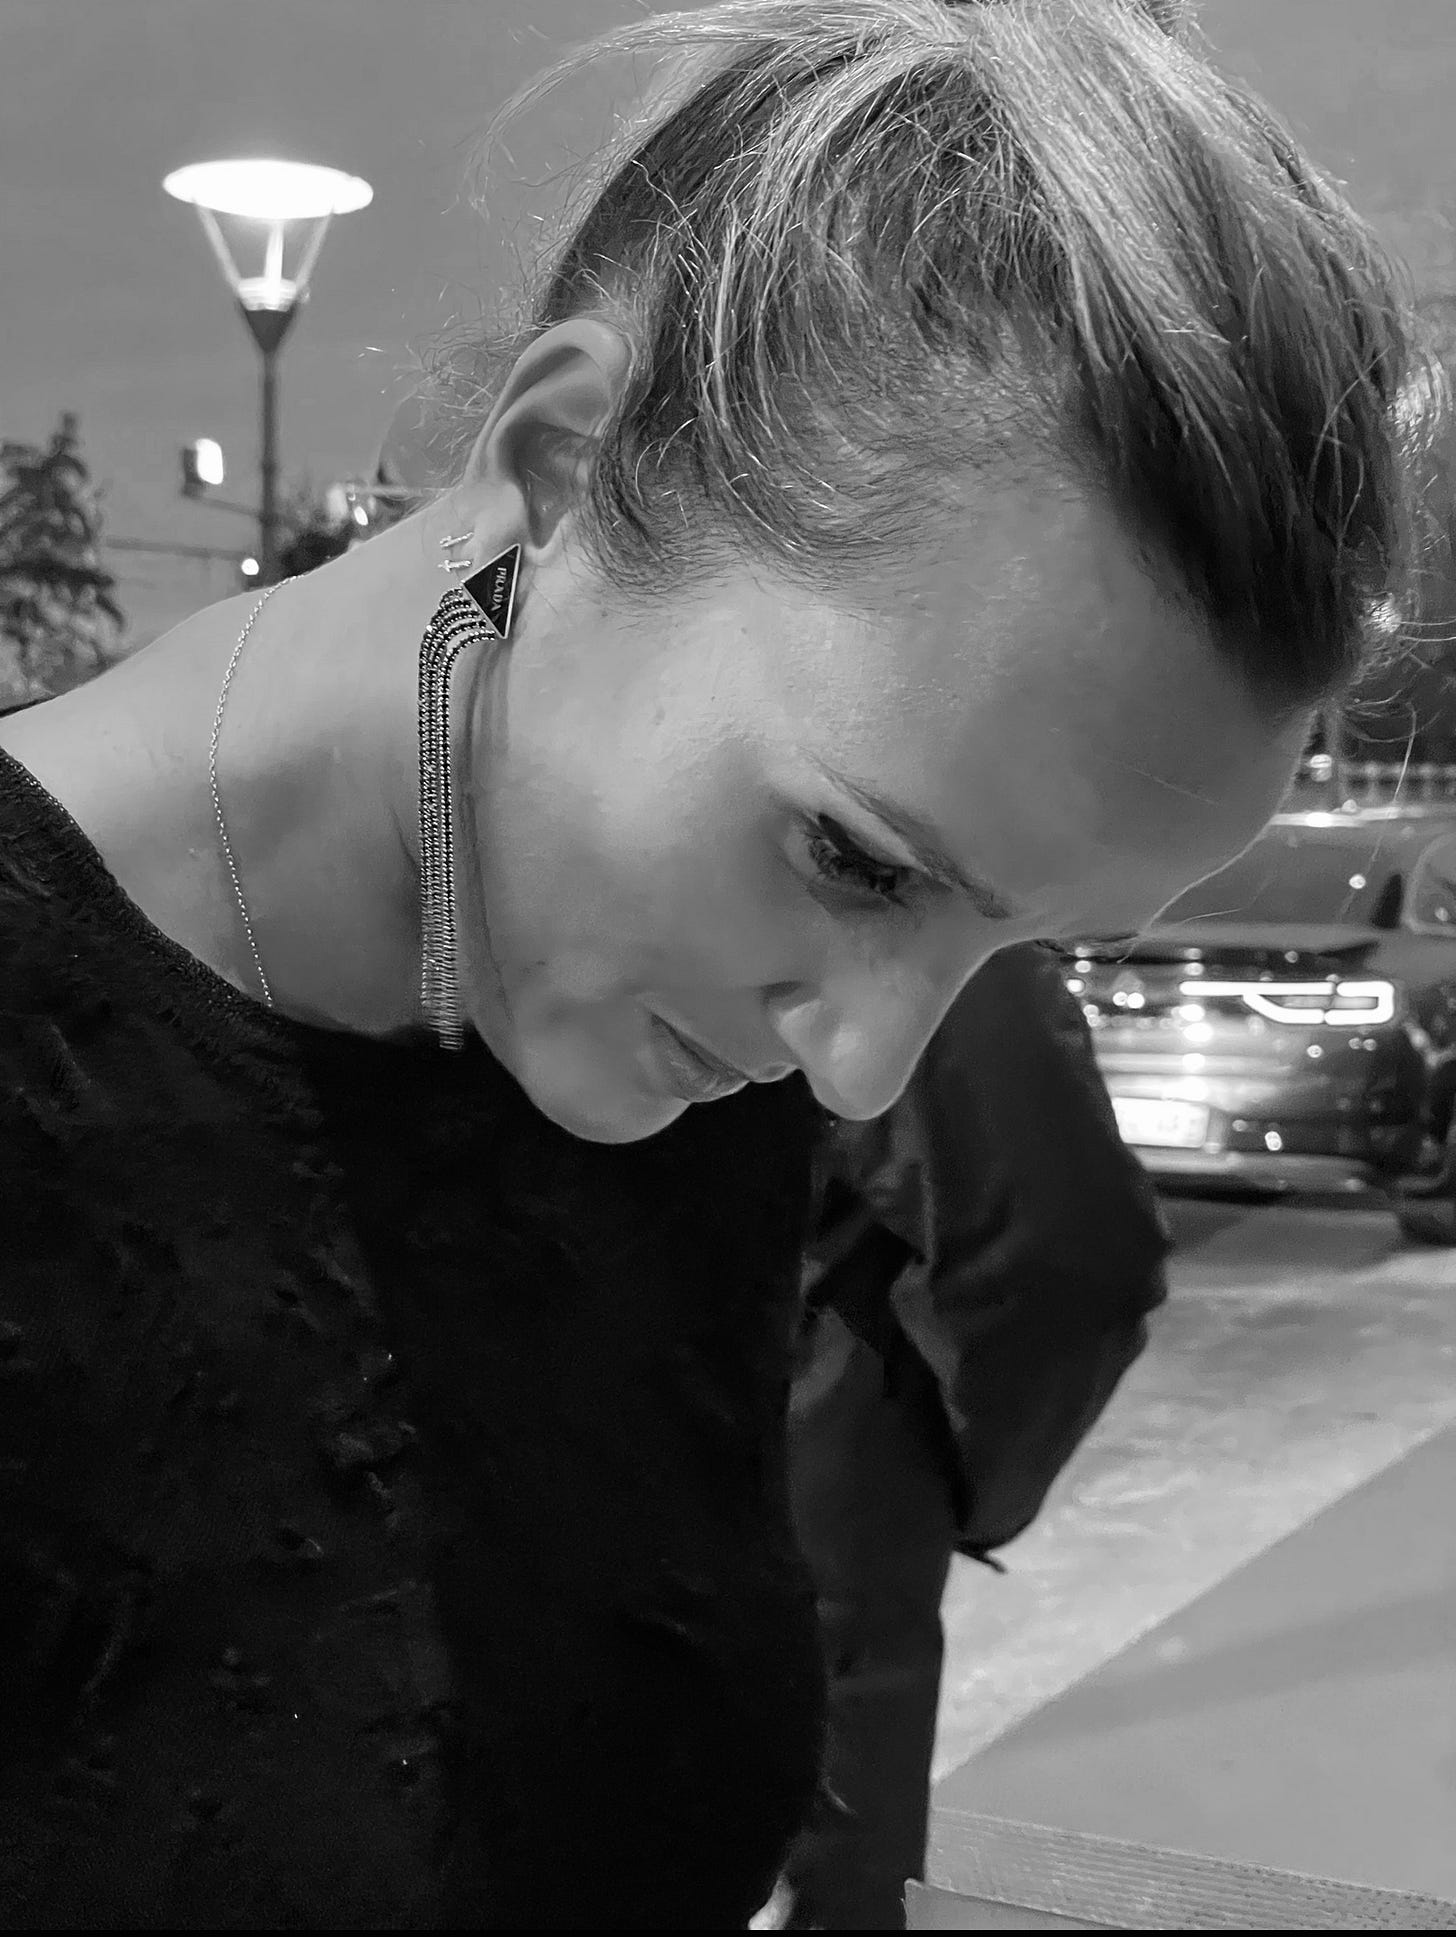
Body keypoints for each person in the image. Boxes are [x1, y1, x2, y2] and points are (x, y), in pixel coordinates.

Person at [0, 0, 1430, 1925]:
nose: (860, 1067)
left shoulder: (640, 1001)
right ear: (562, 465)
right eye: (855, 858)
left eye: (1010, 942)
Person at [782, 941, 1170, 1929]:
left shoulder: (446, 882)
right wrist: (975, 1474)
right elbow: (1058, 1253)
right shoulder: (900, 901)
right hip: (799, 1487)